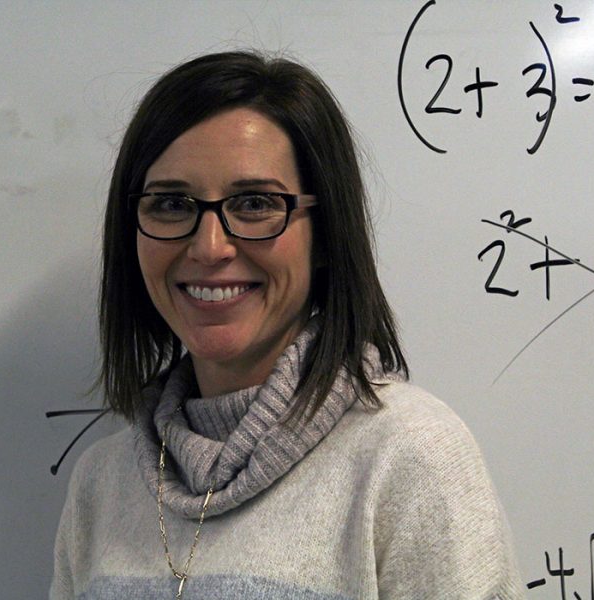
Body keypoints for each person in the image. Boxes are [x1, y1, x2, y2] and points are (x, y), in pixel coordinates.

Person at [50, 50, 525, 600]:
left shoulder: (407, 458)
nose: (209, 247)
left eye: (255, 203)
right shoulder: (102, 484)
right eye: (171, 204)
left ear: (324, 235)